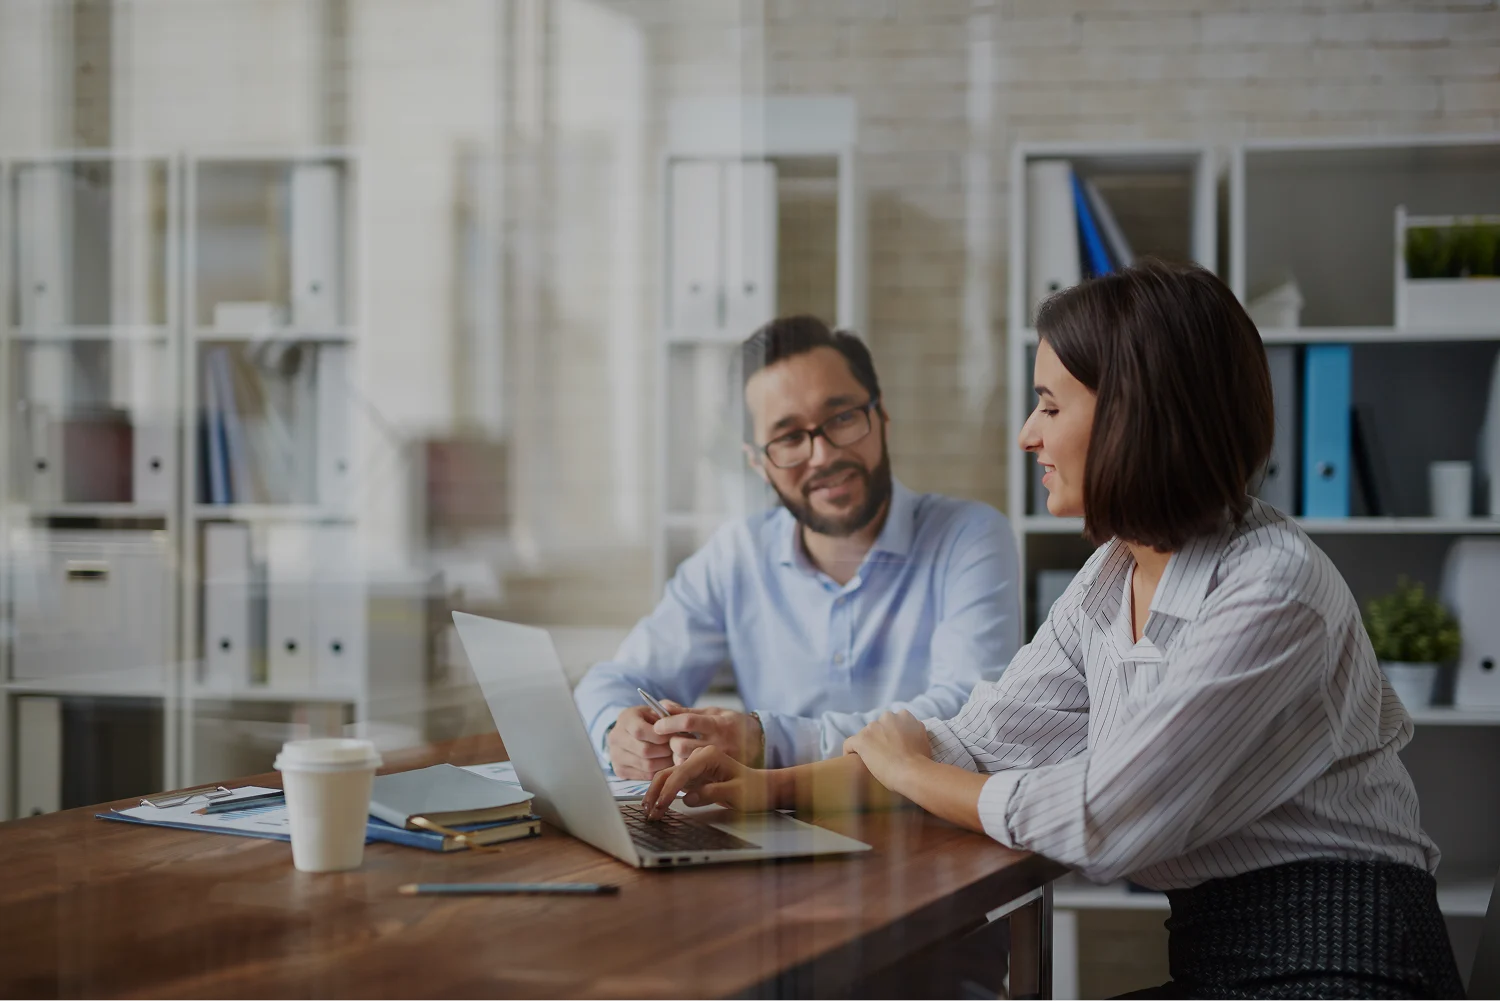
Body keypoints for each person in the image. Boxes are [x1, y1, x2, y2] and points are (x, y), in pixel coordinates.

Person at [644, 261, 1464, 1000]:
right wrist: (766, 791)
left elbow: (1096, 820)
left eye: (1049, 404)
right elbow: (976, 741)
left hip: (1349, 967)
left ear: (1136, 415)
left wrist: (907, 768)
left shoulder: (1273, 590)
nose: (1027, 433)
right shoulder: (1113, 574)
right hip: (1228, 959)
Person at [573, 315, 1021, 779]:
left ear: (881, 415)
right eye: (788, 437)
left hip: (929, 827)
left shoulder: (970, 536)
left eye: (843, 418)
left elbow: (966, 712)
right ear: (757, 462)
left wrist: (766, 740)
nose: (823, 455)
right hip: (773, 833)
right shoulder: (737, 554)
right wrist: (618, 734)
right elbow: (613, 681)